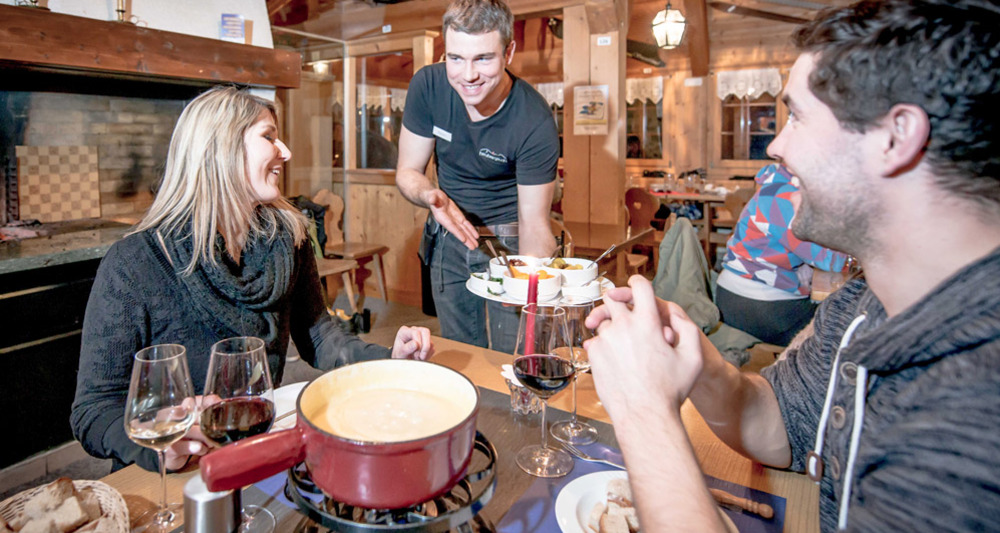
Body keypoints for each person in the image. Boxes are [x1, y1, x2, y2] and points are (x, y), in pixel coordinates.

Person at [584, 1, 1000, 531]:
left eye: (798, 116)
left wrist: (642, 409)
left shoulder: (975, 408)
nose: (777, 145)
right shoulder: (861, 304)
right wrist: (702, 365)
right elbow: (778, 424)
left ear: (896, 137)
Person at [70, 86, 434, 473]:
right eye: (268, 136)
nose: (286, 152)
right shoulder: (136, 262)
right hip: (172, 478)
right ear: (220, 148)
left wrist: (389, 359)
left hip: (255, 451)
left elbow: (321, 338)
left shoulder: (287, 238)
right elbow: (94, 409)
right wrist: (161, 447)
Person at [395, 0, 560, 353]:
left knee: (513, 351)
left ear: (508, 52)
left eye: (483, 58)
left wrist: (533, 283)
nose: (468, 75)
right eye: (456, 58)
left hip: (510, 241)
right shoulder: (428, 86)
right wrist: (430, 196)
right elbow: (408, 172)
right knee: (461, 353)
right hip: (449, 233)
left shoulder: (534, 119)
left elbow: (534, 224)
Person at [715, 163, 849, 346]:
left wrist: (806, 262)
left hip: (745, 298)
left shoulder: (778, 187)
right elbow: (832, 261)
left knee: (839, 316)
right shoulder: (784, 197)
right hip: (756, 306)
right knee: (841, 328)